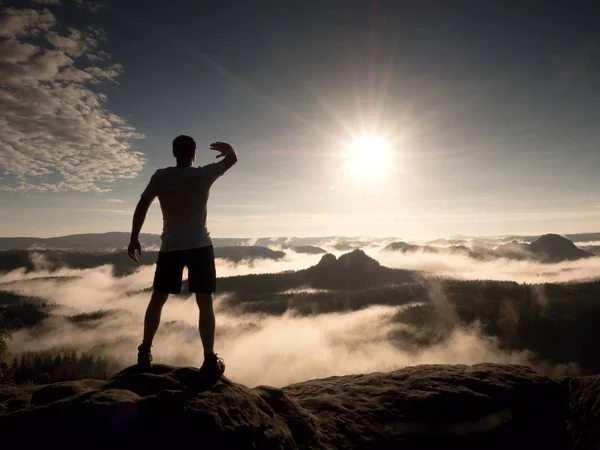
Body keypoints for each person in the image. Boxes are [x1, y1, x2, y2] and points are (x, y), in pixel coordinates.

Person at [127, 135, 238, 377]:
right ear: (194, 152)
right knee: (205, 303)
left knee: (158, 299)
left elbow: (142, 204)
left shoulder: (161, 176)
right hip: (200, 246)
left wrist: (134, 236)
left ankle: (145, 351)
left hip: (171, 247)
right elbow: (232, 159)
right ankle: (209, 359)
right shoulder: (203, 174)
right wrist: (227, 149)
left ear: (174, 152)